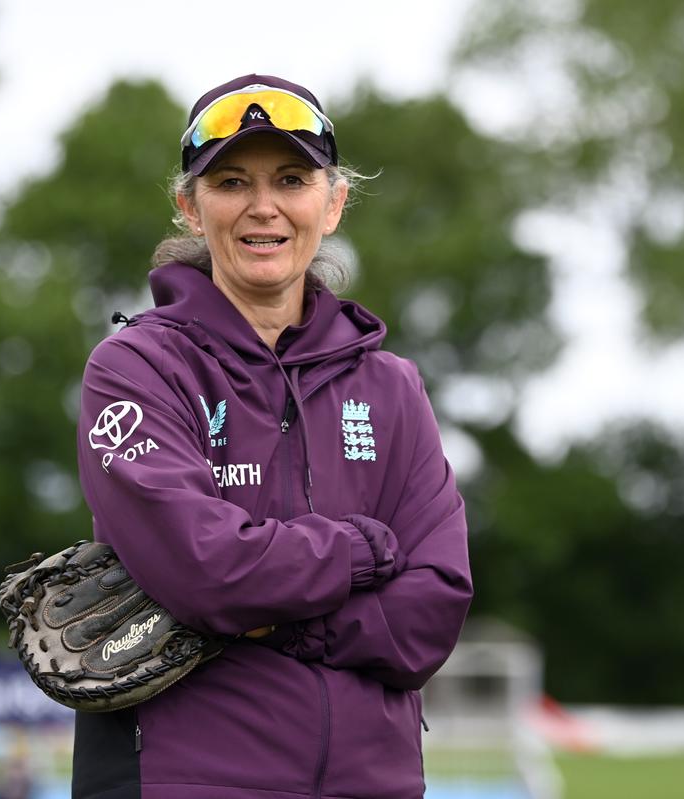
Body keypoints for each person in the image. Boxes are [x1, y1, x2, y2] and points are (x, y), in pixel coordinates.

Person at [73, 74, 472, 799]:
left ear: (333, 203)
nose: (264, 207)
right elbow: (203, 569)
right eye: (232, 182)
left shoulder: (393, 385)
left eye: (291, 179)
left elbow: (432, 610)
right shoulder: (136, 367)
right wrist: (358, 551)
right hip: (183, 780)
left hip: (372, 782)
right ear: (190, 208)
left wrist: (278, 624)